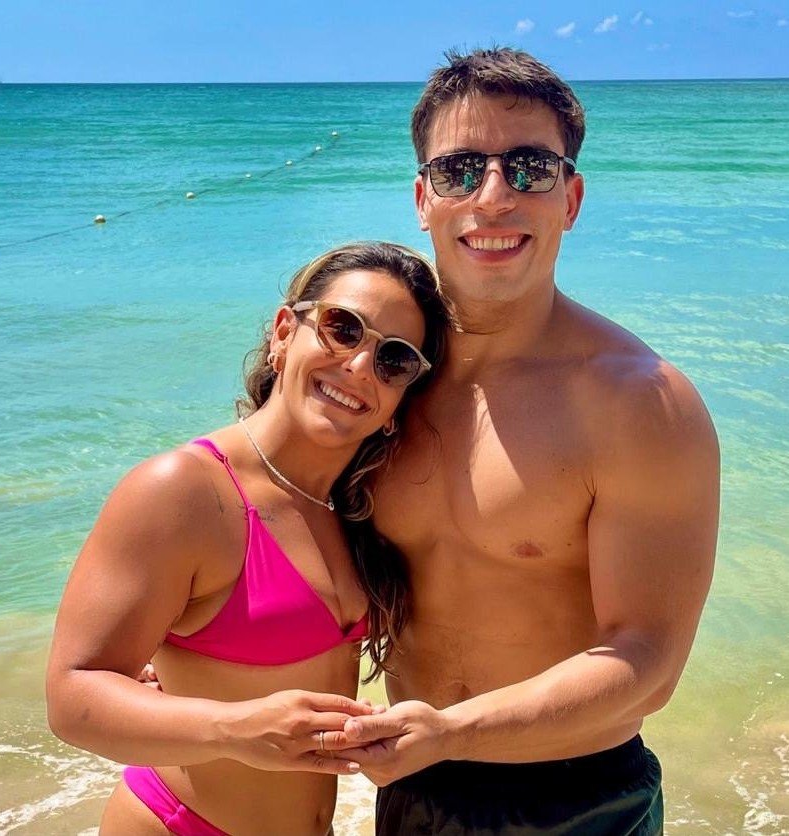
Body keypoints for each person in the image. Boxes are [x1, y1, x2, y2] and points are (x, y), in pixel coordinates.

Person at [319, 48, 720, 835]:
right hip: (413, 780)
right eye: (460, 169)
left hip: (578, 800)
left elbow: (648, 664)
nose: (494, 196)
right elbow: (271, 507)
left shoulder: (639, 402)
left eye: (530, 168)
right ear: (423, 198)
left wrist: (452, 730)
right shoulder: (376, 378)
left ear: (571, 198)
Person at [45, 242, 449, 836]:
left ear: (398, 402)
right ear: (284, 334)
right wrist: (237, 729)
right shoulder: (183, 490)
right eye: (343, 328)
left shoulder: (357, 508)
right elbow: (71, 698)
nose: (361, 366)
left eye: (395, 360)